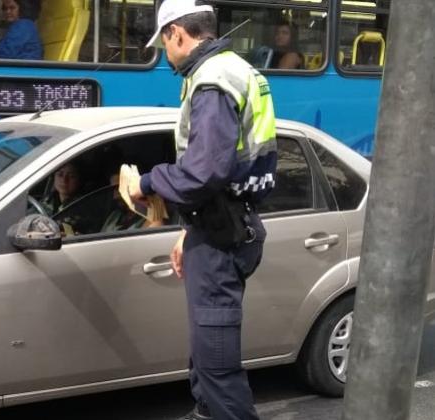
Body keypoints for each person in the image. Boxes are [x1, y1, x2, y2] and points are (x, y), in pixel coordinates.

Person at [129, 1, 277, 419]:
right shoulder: (234, 68)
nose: (164, 54)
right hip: (220, 227)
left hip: (221, 238)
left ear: (177, 32)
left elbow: (203, 173)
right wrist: (188, 230)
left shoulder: (211, 81)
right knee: (206, 364)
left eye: (163, 43)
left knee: (216, 370)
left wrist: (147, 182)